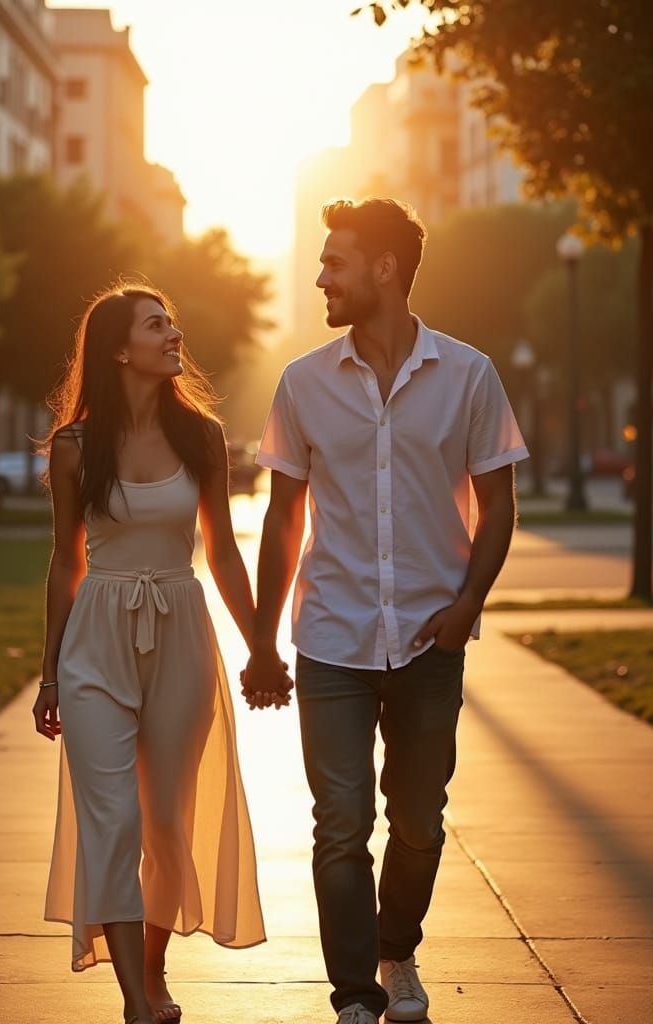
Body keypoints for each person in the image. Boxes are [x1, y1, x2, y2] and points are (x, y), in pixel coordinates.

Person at [242, 198, 528, 1024]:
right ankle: (356, 995)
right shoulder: (302, 383)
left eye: (336, 263)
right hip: (331, 636)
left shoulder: (470, 375)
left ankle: (396, 948)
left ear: (385, 270)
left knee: (419, 825)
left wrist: (466, 605)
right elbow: (282, 519)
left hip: (430, 641)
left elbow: (497, 504)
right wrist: (264, 642)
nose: (322, 276)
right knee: (340, 826)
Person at [34, 284, 276, 1024]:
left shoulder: (201, 436)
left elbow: (225, 555)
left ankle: (153, 966)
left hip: (180, 630)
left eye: (171, 319)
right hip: (96, 641)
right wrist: (49, 672)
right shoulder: (75, 447)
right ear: (118, 349)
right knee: (112, 822)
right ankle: (138, 1003)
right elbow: (66, 562)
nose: (174, 332)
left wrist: (263, 645)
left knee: (167, 823)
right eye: (156, 324)